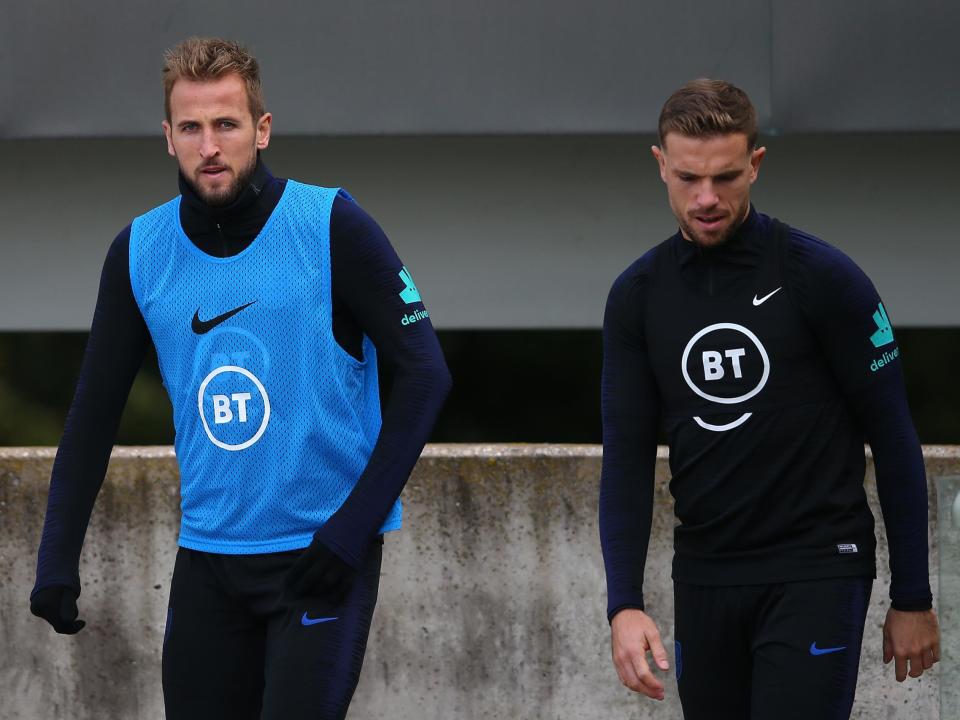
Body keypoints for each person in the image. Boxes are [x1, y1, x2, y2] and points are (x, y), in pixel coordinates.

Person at [30, 37, 451, 720]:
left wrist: (351, 529)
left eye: (226, 124)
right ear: (168, 137)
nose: (210, 146)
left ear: (261, 128)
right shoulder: (139, 253)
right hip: (209, 563)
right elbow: (92, 414)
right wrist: (56, 559)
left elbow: (426, 375)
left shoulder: (331, 225)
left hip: (321, 559)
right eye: (191, 127)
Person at [599, 79, 939, 718]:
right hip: (705, 575)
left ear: (755, 164)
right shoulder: (637, 296)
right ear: (660, 165)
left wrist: (912, 596)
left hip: (817, 568)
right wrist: (624, 603)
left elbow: (894, 436)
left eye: (726, 177)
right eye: (688, 178)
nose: (707, 198)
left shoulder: (824, 277)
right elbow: (625, 457)